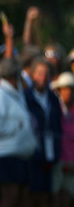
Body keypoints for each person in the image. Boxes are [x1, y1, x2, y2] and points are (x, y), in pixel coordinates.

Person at [0, 58, 36, 207]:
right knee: (10, 197)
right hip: (4, 154)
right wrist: (17, 127)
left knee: (20, 197)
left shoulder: (14, 93)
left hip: (17, 154)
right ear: (13, 77)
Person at [24, 58, 63, 207]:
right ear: (33, 75)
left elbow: (57, 124)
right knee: (32, 192)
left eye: (46, 74)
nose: (42, 77)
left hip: (51, 150)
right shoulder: (26, 97)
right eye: (39, 73)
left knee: (48, 193)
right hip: (32, 150)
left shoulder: (53, 98)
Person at [51, 72, 74, 207]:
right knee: (55, 198)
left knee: (67, 198)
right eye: (65, 89)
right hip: (56, 161)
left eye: (70, 89)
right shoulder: (54, 108)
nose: (68, 92)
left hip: (71, 162)